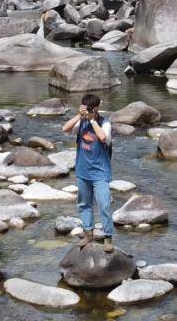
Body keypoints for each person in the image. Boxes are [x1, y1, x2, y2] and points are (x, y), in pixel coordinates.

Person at [61, 93, 114, 252]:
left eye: (91, 108)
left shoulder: (105, 123)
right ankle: (88, 233)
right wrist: (79, 115)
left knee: (104, 204)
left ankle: (108, 237)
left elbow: (103, 138)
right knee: (84, 204)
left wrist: (92, 119)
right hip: (83, 170)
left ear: (97, 108)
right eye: (85, 107)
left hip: (100, 172)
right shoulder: (80, 122)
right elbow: (65, 129)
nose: (88, 110)